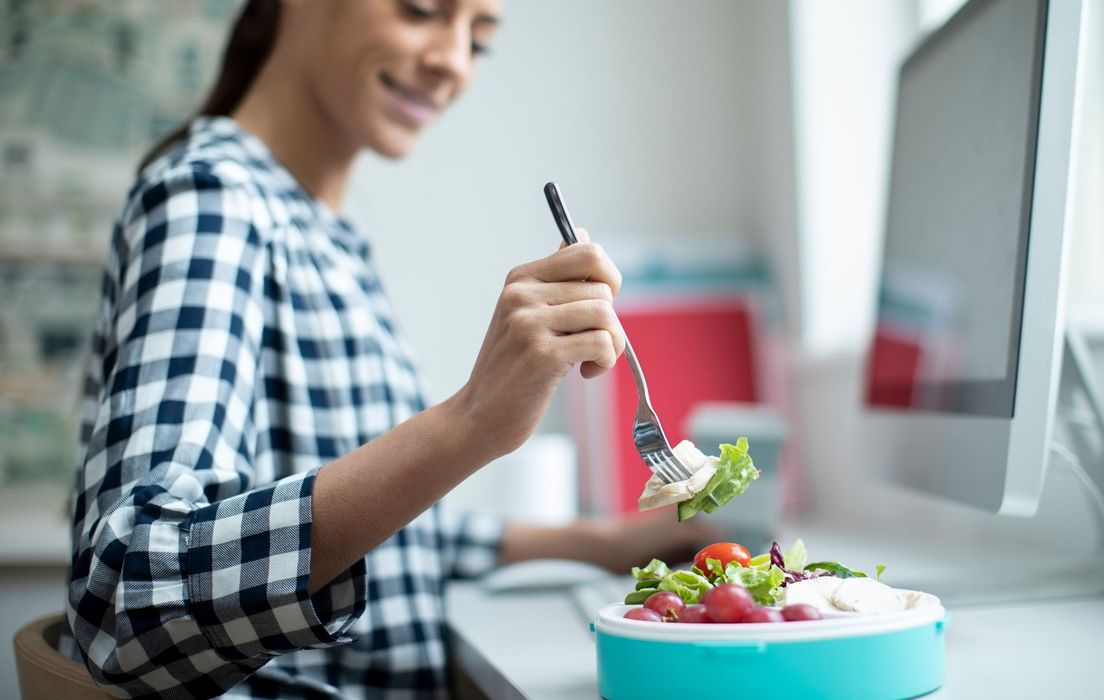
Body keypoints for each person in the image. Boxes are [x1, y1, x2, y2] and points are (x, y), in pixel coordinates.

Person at [62, 1, 716, 697]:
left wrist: (607, 544)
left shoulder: (326, 236)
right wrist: (468, 425)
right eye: (421, 10)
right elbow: (128, 599)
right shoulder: (210, 202)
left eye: (479, 41)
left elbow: (390, 537)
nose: (454, 62)